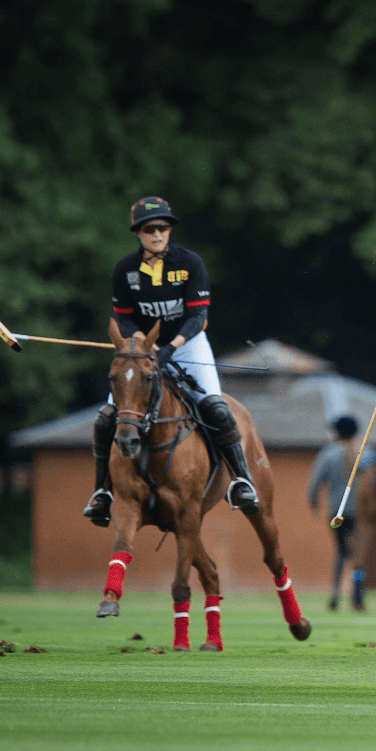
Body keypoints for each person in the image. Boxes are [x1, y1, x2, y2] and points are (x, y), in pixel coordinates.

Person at [84, 197, 259, 526]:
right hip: (141, 349)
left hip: (188, 344)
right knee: (107, 417)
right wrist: (140, 344)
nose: (158, 233)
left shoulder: (190, 263)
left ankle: (241, 481)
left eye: (163, 227)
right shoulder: (125, 270)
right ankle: (101, 493)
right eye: (150, 229)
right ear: (139, 233)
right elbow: (123, 320)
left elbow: (198, 318)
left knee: (216, 407)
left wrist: (169, 347)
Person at [307, 417, 376, 610]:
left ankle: (335, 593)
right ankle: (357, 596)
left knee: (341, 552)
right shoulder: (366, 452)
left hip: (336, 511)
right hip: (360, 512)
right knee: (358, 553)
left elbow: (314, 484)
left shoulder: (327, 454)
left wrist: (313, 503)